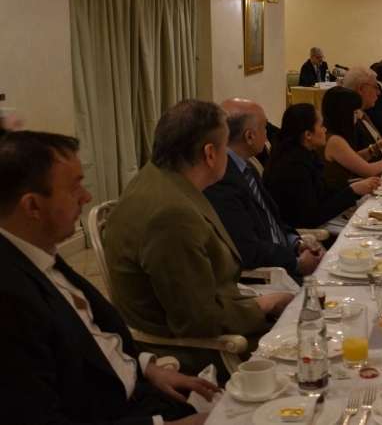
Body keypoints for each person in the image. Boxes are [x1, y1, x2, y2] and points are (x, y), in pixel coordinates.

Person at [0, 131, 218, 425]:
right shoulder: (9, 297)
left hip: (140, 392)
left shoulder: (35, 248)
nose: (87, 196)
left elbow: (91, 338)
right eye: (74, 187)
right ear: (32, 206)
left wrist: (148, 368)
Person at [104, 99, 293, 377]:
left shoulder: (159, 178)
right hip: (201, 351)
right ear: (210, 154)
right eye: (226, 147)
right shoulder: (172, 214)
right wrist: (264, 304)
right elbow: (198, 321)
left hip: (218, 316)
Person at [204, 99, 322, 284]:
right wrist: (297, 263)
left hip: (284, 258)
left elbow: (269, 218)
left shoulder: (245, 166)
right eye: (265, 127)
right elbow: (246, 248)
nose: (268, 134)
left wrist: (295, 243)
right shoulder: (222, 178)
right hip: (271, 278)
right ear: (249, 136)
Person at [263, 103, 380, 230]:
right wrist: (351, 191)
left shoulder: (303, 155)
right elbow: (312, 217)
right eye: (321, 125)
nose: (325, 130)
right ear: (308, 134)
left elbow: (320, 194)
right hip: (304, 233)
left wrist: (354, 189)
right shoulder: (293, 167)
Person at [319, 87, 382, 189]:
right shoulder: (334, 140)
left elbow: (353, 159)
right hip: (338, 194)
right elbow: (369, 171)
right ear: (343, 114)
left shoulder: (333, 134)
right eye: (354, 112)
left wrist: (377, 146)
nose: (358, 116)